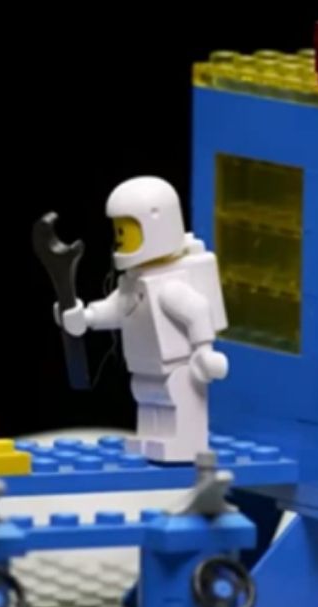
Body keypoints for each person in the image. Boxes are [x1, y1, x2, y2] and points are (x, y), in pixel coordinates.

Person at [59, 177, 228, 462]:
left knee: (178, 401)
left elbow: (197, 311)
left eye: (126, 230)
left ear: (154, 226)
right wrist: (87, 317)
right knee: (148, 401)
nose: (120, 239)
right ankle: (150, 440)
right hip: (145, 365)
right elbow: (117, 309)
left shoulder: (170, 286)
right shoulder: (133, 282)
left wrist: (204, 350)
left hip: (178, 367)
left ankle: (182, 445)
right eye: (119, 231)